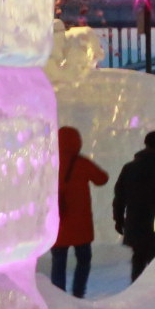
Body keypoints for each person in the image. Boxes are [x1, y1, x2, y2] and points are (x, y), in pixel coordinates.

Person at [112, 129, 155, 282]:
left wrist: (118, 219)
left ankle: (136, 293)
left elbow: (120, 196)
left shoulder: (130, 168)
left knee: (138, 260)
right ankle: (154, 297)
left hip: (135, 220)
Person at [50, 125, 107, 297]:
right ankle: (78, 293)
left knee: (58, 261)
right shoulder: (82, 163)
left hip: (58, 222)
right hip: (80, 224)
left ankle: (58, 295)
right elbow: (102, 179)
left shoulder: (50, 162)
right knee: (83, 260)